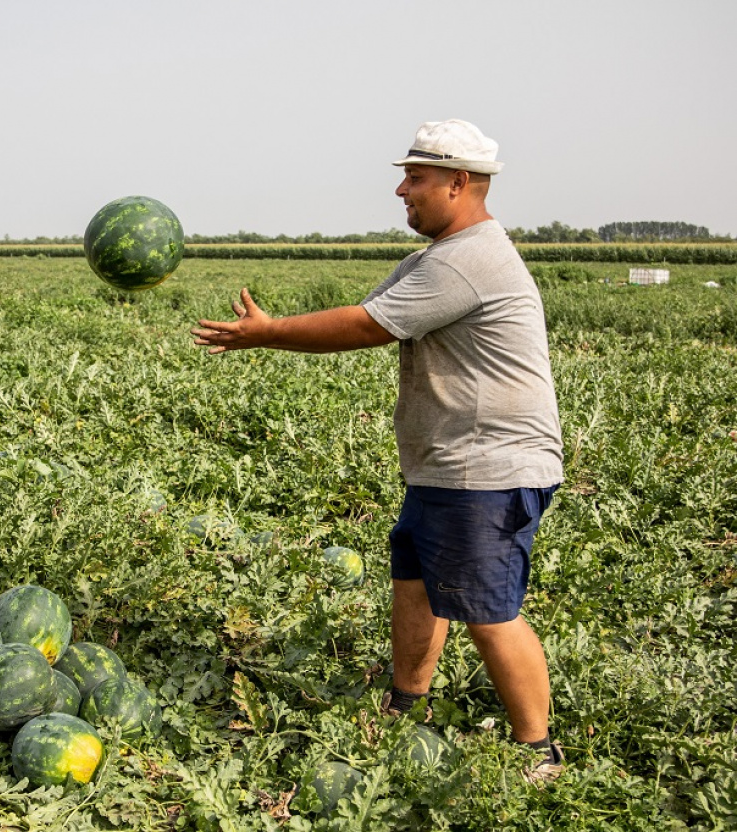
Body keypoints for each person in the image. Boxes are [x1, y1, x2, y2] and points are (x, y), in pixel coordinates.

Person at [191, 119, 566, 782]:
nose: (401, 190)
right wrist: (277, 331)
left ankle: (537, 749)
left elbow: (368, 325)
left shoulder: (469, 259)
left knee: (487, 608)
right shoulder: (436, 258)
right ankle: (407, 701)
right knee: (416, 586)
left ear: (458, 183)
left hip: (488, 465)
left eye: (415, 178)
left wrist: (269, 333)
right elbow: (371, 309)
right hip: (449, 465)